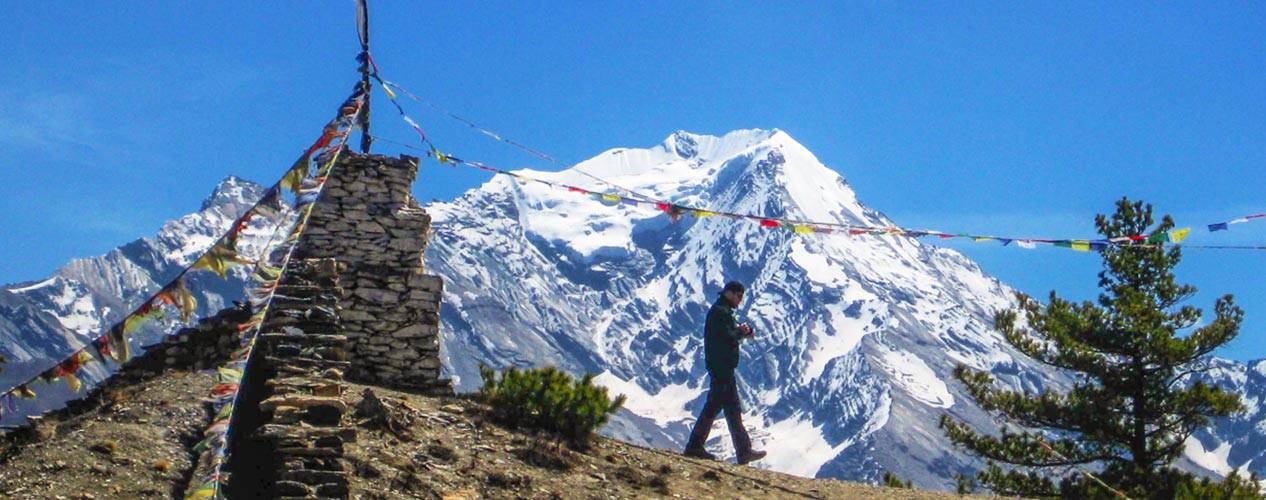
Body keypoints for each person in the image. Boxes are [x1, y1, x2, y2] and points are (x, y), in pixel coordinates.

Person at [683, 281, 767, 465]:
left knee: (721, 409)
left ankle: (697, 446)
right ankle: (741, 452)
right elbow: (727, 336)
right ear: (730, 294)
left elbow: (729, 334)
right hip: (722, 368)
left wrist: (741, 332)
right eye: (738, 296)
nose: (739, 300)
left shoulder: (721, 311)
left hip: (720, 367)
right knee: (729, 409)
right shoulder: (721, 313)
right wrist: (741, 332)